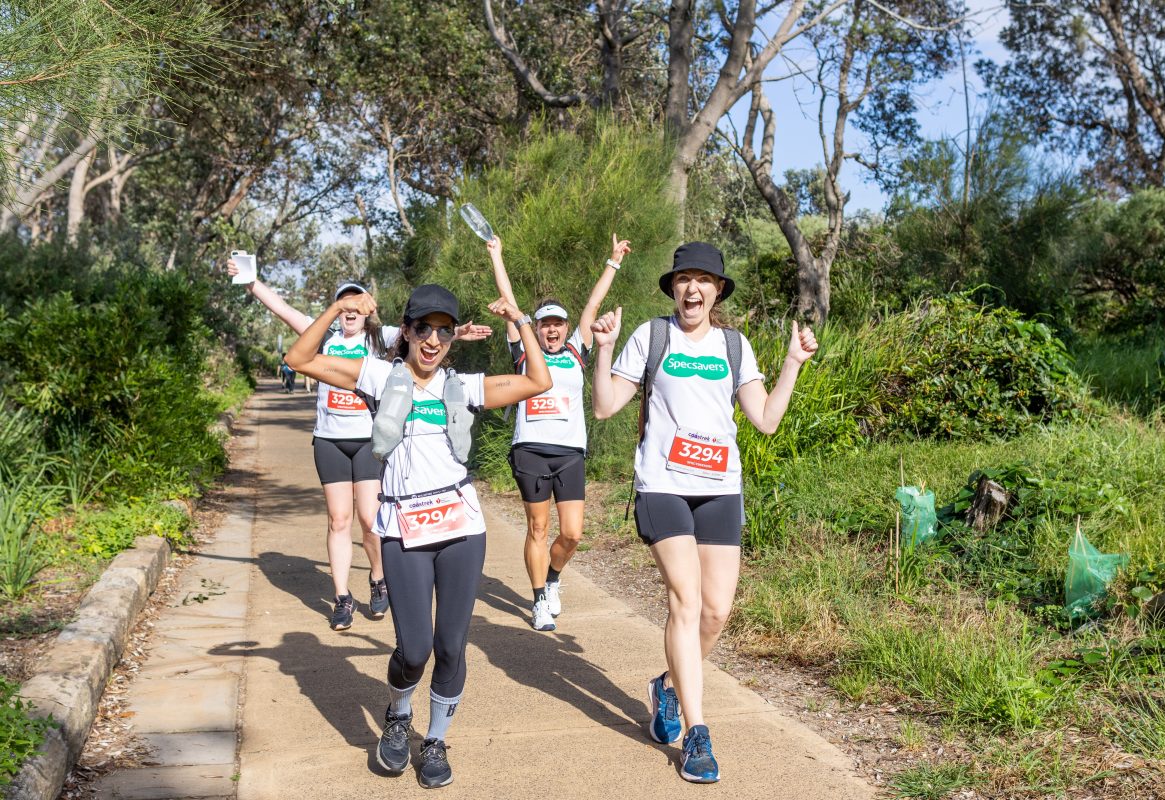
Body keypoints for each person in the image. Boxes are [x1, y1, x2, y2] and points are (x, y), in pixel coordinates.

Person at [285, 283, 550, 789]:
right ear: (404, 331)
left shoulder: (462, 386)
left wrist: (519, 319)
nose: (433, 339)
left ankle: (435, 740)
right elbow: (299, 357)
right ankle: (399, 712)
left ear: (452, 338)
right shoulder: (377, 375)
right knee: (415, 649)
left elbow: (537, 380)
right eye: (423, 328)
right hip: (401, 525)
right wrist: (339, 307)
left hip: (461, 527)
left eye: (443, 331)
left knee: (451, 645)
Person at [590, 242, 818, 784]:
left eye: (704, 280)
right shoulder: (652, 336)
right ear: (673, 287)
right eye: (684, 279)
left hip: (719, 487)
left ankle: (666, 688)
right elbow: (603, 407)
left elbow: (764, 419)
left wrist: (792, 363)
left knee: (716, 611)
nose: (693, 288)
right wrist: (603, 349)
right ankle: (696, 733)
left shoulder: (734, 345)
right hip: (663, 485)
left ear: (717, 291)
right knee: (686, 601)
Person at [227, 261, 489, 630]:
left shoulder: (377, 339)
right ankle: (342, 598)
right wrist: (251, 282)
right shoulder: (326, 336)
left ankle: (379, 577)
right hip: (330, 441)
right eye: (343, 304)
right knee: (338, 519)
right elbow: (283, 310)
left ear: (365, 311)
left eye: (355, 305)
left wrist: (456, 332)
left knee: (369, 520)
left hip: (368, 441)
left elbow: (421, 337)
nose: (349, 311)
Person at [485, 234, 629, 631]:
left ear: (566, 329)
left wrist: (613, 261)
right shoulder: (523, 350)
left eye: (557, 324)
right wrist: (497, 255)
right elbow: (509, 300)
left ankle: (552, 579)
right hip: (530, 449)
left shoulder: (575, 354)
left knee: (572, 533)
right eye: (544, 323)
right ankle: (537, 601)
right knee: (538, 527)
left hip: (569, 453)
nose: (551, 330)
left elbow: (594, 305)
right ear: (538, 327)